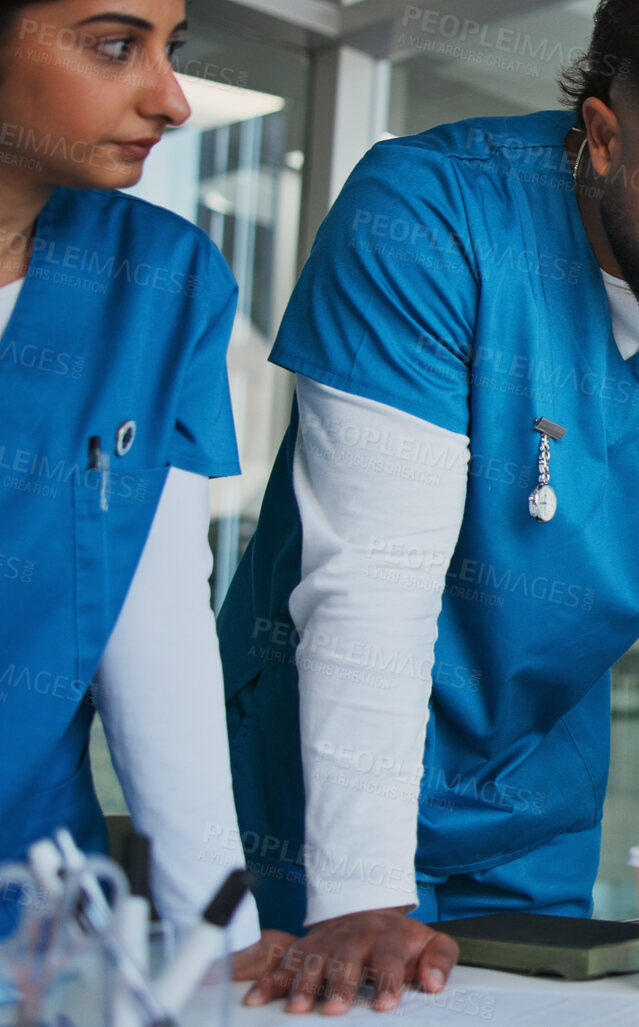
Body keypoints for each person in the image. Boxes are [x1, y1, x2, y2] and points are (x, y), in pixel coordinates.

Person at [217, 0, 639, 1015]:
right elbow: (373, 585)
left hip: (532, 802)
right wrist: (361, 894)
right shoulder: (424, 218)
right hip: (312, 799)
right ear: (600, 135)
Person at [0, 0, 264, 953]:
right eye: (116, 47)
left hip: (34, 919)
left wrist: (220, 938)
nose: (173, 100)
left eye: (171, 49)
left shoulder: (161, 281)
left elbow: (160, 637)